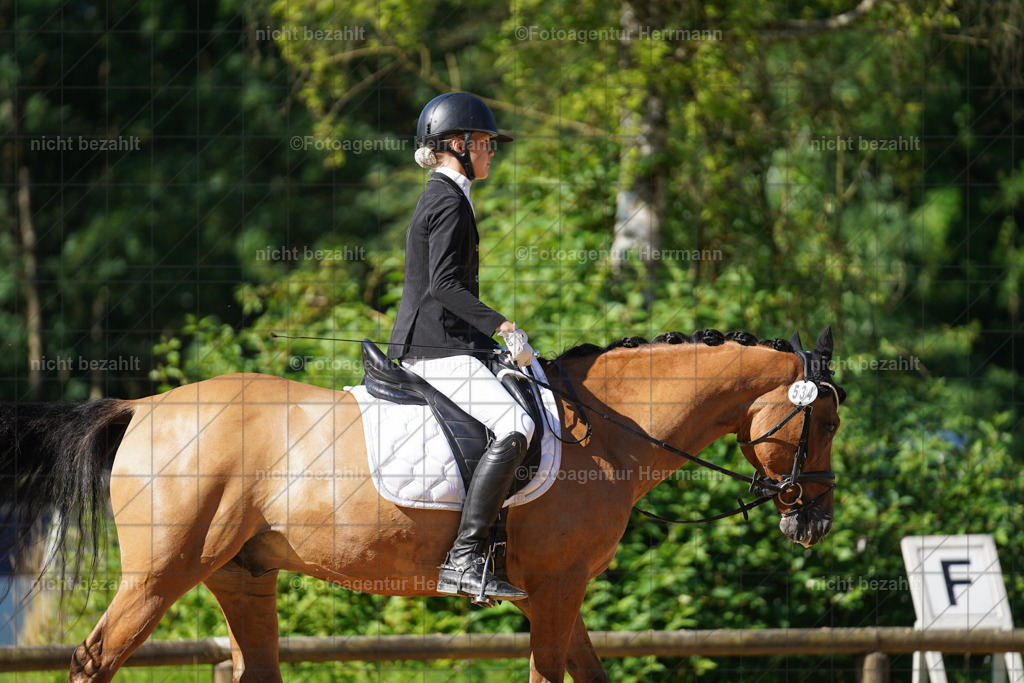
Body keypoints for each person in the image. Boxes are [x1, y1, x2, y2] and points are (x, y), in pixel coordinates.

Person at [387, 92, 535, 602]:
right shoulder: (448, 199)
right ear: (458, 144)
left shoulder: (447, 194)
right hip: (434, 347)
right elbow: (446, 287)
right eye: (486, 143)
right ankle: (466, 558)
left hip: (444, 341)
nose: (493, 152)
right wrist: (504, 328)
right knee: (519, 424)